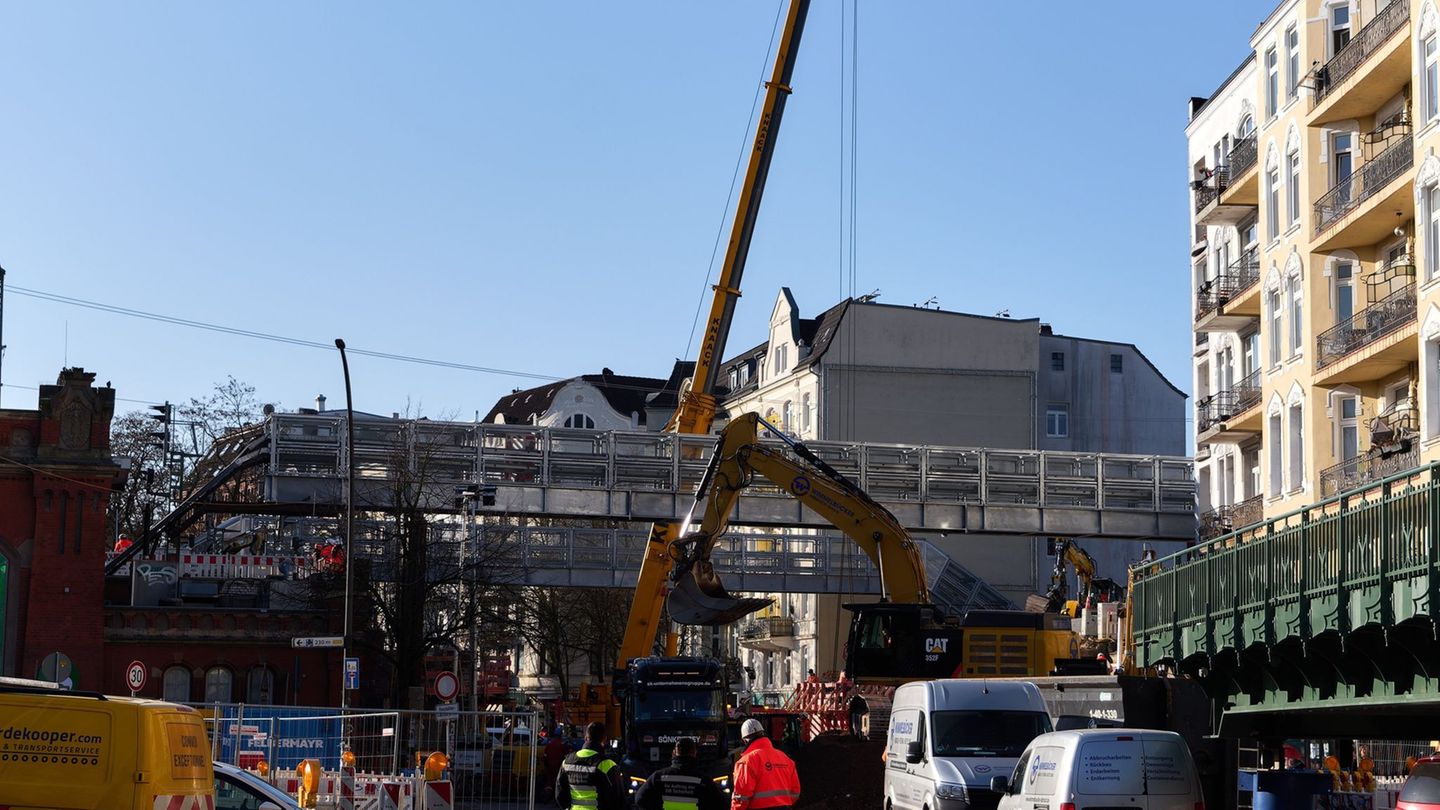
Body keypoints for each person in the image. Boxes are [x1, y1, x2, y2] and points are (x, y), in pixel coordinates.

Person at [635, 737, 724, 810]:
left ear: (674, 752)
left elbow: (640, 799)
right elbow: (720, 805)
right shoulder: (704, 781)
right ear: (694, 753)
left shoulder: (658, 777)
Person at [731, 717, 800, 810]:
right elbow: (795, 791)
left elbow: (741, 797)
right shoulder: (785, 759)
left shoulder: (746, 762)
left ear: (745, 740)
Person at [555, 722, 621, 810]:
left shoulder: (566, 762)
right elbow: (618, 799)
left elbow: (559, 794)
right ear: (604, 739)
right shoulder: (607, 765)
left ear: (585, 737)